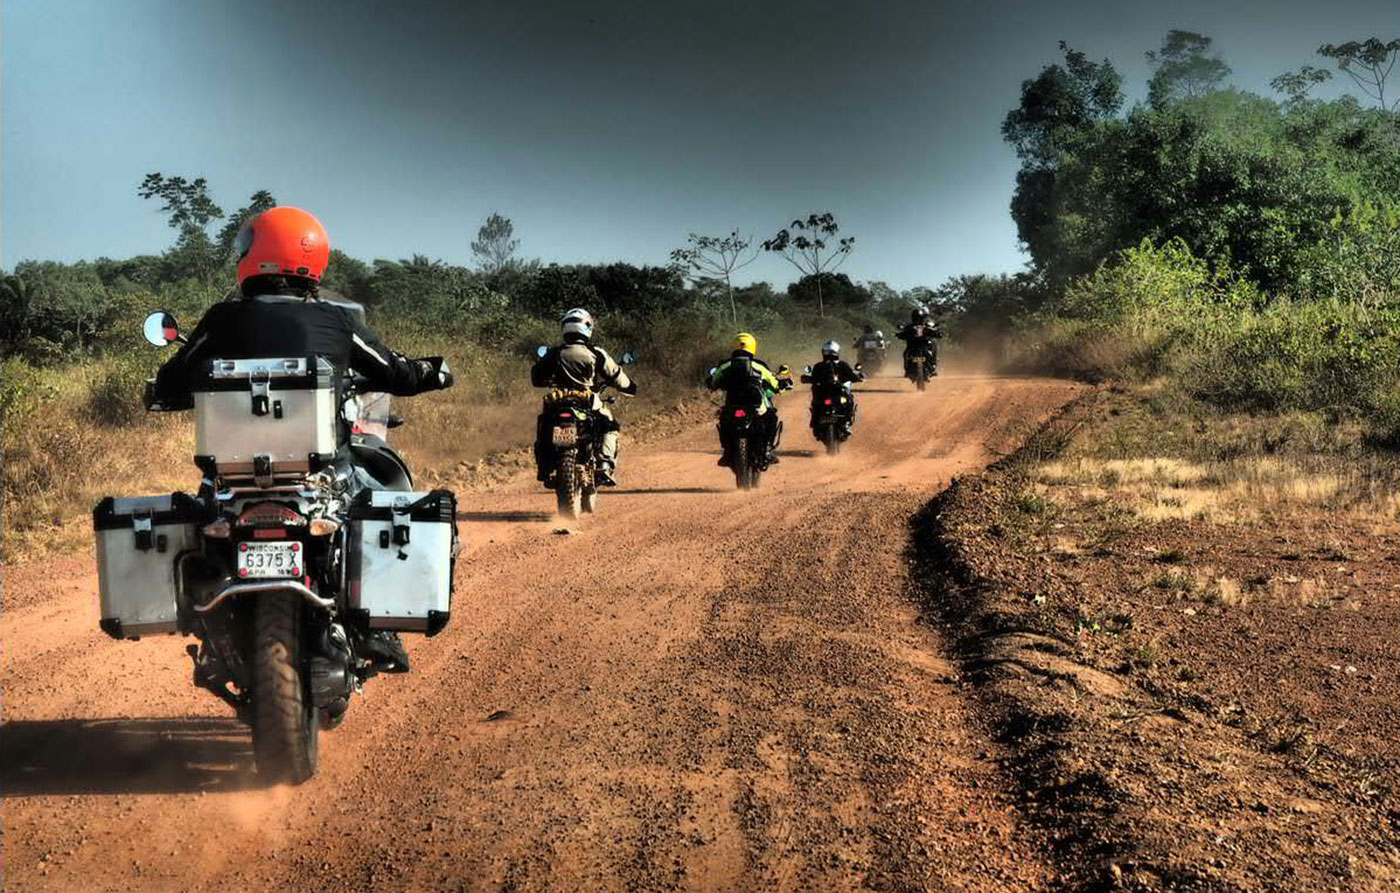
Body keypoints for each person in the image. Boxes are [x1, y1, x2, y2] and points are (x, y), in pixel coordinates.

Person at [149, 206, 453, 673]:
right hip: (319, 475)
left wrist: (163, 392)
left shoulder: (221, 320)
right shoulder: (336, 321)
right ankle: (380, 629)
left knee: (201, 517)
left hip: (232, 481)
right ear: (312, 259)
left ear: (253, 255)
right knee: (375, 508)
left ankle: (213, 631)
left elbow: (170, 382)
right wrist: (433, 371)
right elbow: (394, 372)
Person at [530, 308, 636, 487]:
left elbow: (536, 378)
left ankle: (545, 466)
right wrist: (630, 386)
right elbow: (616, 374)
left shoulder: (554, 353)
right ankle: (604, 464)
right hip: (587, 400)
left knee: (544, 423)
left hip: (558, 401)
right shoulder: (595, 352)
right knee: (610, 426)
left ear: (565, 327)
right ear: (587, 327)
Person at [705, 332, 791, 464]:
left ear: (734, 346)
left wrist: (713, 383)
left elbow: (713, 382)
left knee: (724, 420)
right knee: (771, 417)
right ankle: (767, 449)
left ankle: (727, 452)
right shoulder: (758, 365)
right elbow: (774, 383)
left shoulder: (725, 366)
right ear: (752, 347)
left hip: (732, 405)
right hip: (756, 406)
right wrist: (782, 385)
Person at [801, 340, 864, 434]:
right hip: (827, 395)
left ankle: (844, 422)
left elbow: (852, 375)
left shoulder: (819, 366)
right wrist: (858, 377)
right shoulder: (841, 365)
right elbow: (852, 375)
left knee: (848, 401)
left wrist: (857, 377)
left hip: (828, 394)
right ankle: (843, 422)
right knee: (848, 401)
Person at [895, 306, 943, 377]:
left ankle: (932, 366)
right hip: (912, 345)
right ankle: (907, 369)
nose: (917, 319)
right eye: (915, 318)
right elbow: (903, 332)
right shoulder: (909, 327)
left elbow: (934, 331)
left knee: (932, 351)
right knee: (905, 353)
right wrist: (899, 335)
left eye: (918, 318)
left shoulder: (926, 325)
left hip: (924, 345)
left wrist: (937, 333)